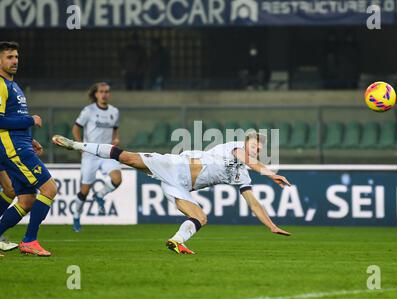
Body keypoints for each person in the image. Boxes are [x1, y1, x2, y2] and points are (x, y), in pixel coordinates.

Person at [52, 132, 292, 254]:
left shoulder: (244, 175)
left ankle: (177, 241)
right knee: (127, 158)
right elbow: (246, 159)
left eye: (259, 148)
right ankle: (76, 145)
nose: (256, 150)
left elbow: (253, 204)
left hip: (179, 186)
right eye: (254, 146)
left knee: (200, 218)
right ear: (245, 144)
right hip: (175, 165)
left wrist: (270, 225)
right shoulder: (235, 149)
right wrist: (270, 174)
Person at [0, 41, 57, 256]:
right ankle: (30, 241)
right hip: (12, 148)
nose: (14, 61)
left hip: (20, 143)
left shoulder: (14, 85)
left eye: (16, 57)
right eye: (9, 57)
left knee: (27, 200)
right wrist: (30, 120)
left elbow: (12, 119)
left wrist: (30, 138)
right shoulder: (1, 85)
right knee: (49, 189)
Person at [71, 82, 122, 232]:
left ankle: (99, 195)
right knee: (85, 190)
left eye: (107, 91)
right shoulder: (88, 111)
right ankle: (76, 216)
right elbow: (76, 128)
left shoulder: (114, 111)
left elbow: (115, 129)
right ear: (96, 94)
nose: (104, 94)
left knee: (117, 179)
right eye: (101, 91)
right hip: (90, 154)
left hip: (106, 152)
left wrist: (116, 139)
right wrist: (79, 145)